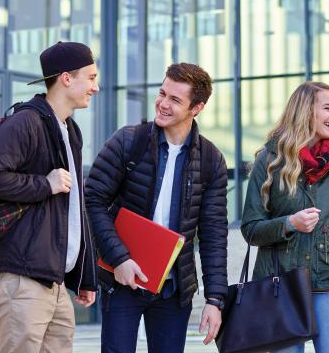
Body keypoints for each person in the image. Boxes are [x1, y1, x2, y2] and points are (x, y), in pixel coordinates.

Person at [85, 62, 229, 353]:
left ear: (196, 108)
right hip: (123, 279)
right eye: (162, 93)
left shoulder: (212, 161)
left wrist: (215, 300)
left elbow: (214, 234)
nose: (162, 104)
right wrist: (119, 258)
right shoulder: (128, 141)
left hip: (173, 290)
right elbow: (92, 200)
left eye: (175, 100)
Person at [0, 41, 99, 353]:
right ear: (67, 78)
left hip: (53, 281)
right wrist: (45, 184)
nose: (96, 87)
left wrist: (85, 274)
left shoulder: (70, 130)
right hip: (21, 277)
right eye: (91, 77)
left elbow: (73, 208)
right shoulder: (26, 121)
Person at [240, 81, 329, 353]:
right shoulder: (269, 161)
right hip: (281, 284)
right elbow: (250, 229)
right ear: (305, 112)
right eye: (328, 108)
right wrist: (289, 223)